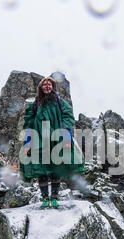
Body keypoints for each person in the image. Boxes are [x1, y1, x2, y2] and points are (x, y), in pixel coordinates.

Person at [19, 76, 85, 209]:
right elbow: (29, 124)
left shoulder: (60, 102)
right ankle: (45, 199)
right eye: (44, 85)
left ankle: (54, 198)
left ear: (53, 86)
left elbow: (68, 117)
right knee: (41, 169)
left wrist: (66, 137)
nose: (47, 86)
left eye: (49, 84)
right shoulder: (36, 104)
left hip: (57, 139)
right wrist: (28, 142)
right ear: (41, 88)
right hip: (39, 140)